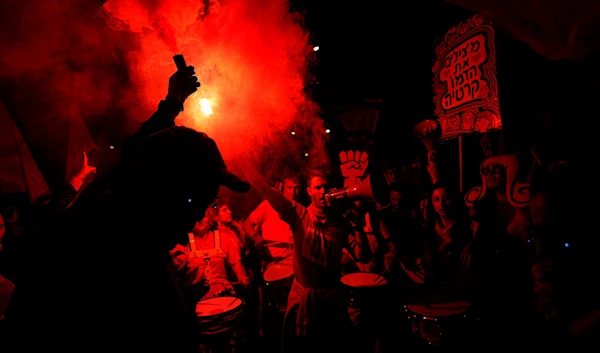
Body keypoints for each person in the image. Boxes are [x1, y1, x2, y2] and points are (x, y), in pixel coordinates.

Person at [2, 63, 250, 352]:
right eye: (191, 205)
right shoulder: (111, 258)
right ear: (161, 193)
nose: (189, 228)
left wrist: (172, 104)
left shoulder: (116, 206)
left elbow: (136, 154)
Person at [238, 161, 371, 353]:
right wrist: (246, 165)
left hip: (331, 301)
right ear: (309, 191)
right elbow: (267, 191)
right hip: (303, 300)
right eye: (317, 187)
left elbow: (363, 256)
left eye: (325, 187)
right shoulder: (298, 214)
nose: (322, 191)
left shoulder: (340, 222)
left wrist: (358, 226)